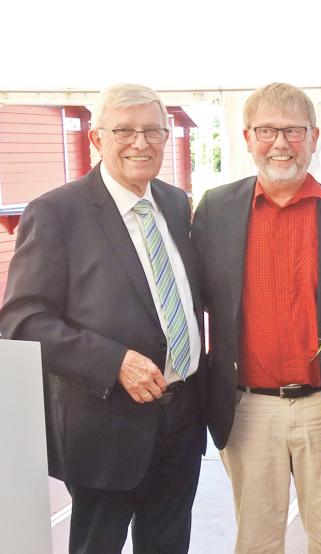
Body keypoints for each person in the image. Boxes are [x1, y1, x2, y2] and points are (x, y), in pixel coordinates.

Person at [0, 83, 206, 553]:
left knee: (169, 544)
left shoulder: (175, 204)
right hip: (105, 427)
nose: (141, 143)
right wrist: (114, 362)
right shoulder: (56, 213)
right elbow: (23, 320)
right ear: (96, 139)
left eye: (153, 130)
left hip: (182, 417)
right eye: (124, 131)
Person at [192, 82, 321, 553]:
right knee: (256, 541)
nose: (280, 144)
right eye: (267, 130)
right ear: (247, 137)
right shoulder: (214, 210)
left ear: (314, 137)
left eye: (293, 131)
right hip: (248, 408)